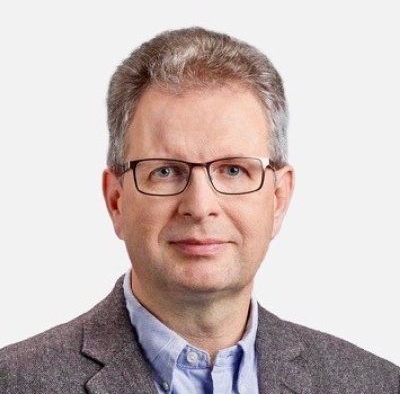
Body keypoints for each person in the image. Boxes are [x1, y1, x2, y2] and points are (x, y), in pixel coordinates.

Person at [0, 26, 398, 394]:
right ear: (116, 201)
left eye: (233, 170)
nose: (200, 207)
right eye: (165, 171)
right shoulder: (14, 382)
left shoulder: (376, 384)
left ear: (278, 199)